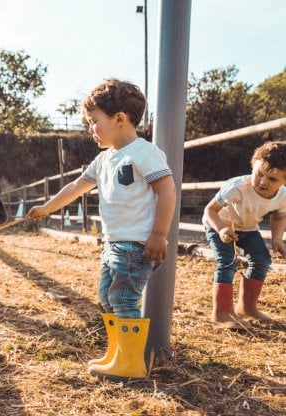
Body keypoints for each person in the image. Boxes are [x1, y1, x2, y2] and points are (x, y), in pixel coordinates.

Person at [26, 78, 176, 381]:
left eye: (94, 122)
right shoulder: (103, 159)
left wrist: (159, 234)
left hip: (135, 244)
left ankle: (132, 364)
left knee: (123, 299)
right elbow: (75, 186)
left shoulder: (143, 153)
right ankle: (118, 354)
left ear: (119, 119)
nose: (91, 129)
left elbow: (167, 190)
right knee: (107, 298)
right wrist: (46, 208)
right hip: (113, 244)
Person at [204, 141, 286, 329]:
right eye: (259, 174)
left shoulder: (283, 196)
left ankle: (246, 307)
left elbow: (280, 217)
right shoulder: (238, 187)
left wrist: (277, 240)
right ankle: (222, 313)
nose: (263, 181)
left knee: (262, 260)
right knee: (228, 260)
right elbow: (211, 210)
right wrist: (222, 229)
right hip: (220, 223)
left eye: (272, 179)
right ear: (253, 165)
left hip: (247, 227)